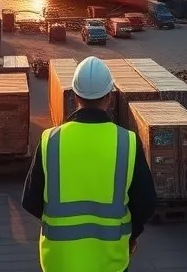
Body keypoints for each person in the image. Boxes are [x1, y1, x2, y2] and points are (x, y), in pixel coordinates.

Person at [21, 55, 157, 272]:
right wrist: (132, 234)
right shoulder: (127, 142)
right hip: (110, 262)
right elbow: (147, 202)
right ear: (110, 96)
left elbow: (30, 201)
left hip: (59, 262)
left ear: (75, 95)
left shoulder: (50, 140)